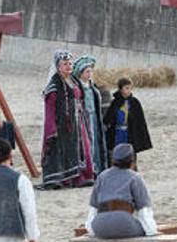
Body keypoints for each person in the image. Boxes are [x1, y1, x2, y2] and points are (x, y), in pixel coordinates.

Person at [85, 144, 157, 242]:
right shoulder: (134, 177)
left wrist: (92, 230)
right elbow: (145, 211)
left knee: (109, 239)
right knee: (148, 237)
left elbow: (93, 208)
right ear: (132, 162)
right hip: (123, 221)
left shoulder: (102, 176)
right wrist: (151, 232)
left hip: (100, 224)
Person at [40, 50, 96, 189]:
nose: (69, 66)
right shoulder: (53, 86)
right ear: (58, 67)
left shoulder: (74, 80)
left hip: (78, 121)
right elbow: (50, 110)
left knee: (82, 149)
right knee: (62, 150)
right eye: (65, 64)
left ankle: (81, 177)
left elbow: (80, 98)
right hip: (62, 124)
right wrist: (52, 128)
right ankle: (61, 179)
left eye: (70, 63)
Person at [104, 77, 153, 167]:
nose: (129, 90)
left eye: (130, 88)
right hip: (118, 134)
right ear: (120, 89)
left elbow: (140, 122)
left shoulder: (134, 103)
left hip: (130, 134)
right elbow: (108, 119)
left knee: (130, 155)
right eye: (126, 88)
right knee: (116, 154)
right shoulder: (115, 102)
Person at [74, 56, 109, 173]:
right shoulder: (77, 88)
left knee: (96, 143)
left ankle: (98, 168)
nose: (89, 74)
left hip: (94, 118)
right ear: (80, 73)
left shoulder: (93, 88)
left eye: (91, 71)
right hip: (84, 120)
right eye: (87, 71)